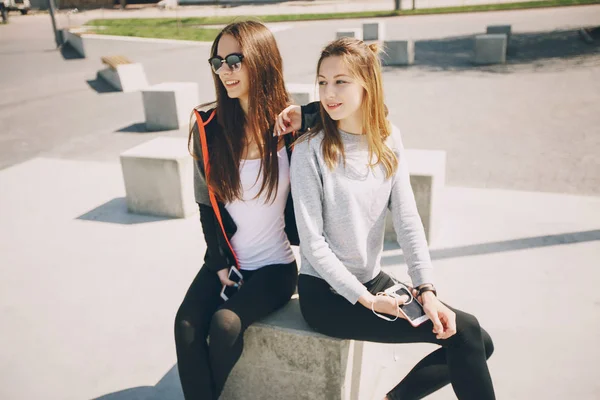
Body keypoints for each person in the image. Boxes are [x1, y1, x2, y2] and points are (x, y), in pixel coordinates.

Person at [278, 37, 496, 400]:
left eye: (341, 81)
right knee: (469, 336)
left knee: (474, 338)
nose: (329, 92)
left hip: (375, 281)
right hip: (329, 297)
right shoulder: (309, 149)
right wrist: (367, 299)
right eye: (322, 82)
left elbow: (408, 220)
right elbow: (313, 245)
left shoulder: (389, 139)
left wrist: (427, 291)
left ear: (368, 83)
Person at [175, 21, 300, 400]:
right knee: (186, 326)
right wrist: (217, 262)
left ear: (260, 60)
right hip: (229, 261)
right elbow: (205, 205)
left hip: (275, 267)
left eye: (234, 60)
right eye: (218, 62)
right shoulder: (208, 127)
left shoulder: (292, 126)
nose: (224, 71)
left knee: (225, 324)